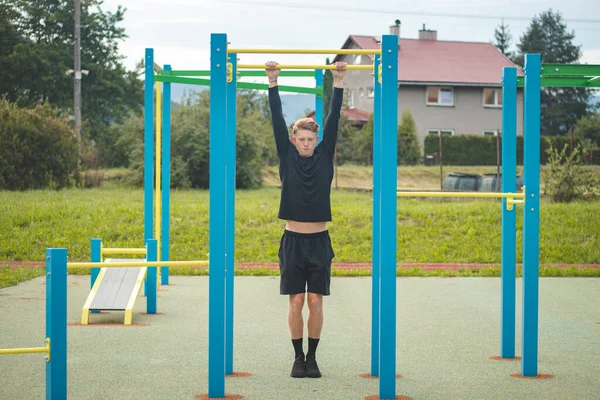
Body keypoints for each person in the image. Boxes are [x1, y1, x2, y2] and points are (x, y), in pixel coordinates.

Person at [265, 60, 347, 379]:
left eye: (310, 139)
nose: (306, 143)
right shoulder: (286, 156)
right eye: (301, 139)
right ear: (294, 139)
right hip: (293, 242)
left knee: (315, 300)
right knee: (296, 299)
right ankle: (297, 357)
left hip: (319, 241)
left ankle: (312, 358)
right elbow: (276, 118)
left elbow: (334, 118)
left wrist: (337, 81)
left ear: (316, 141)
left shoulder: (325, 156)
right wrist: (273, 81)